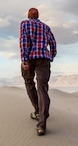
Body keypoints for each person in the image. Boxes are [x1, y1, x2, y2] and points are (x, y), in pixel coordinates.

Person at [20, 7, 57, 136]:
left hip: (29, 58)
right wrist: (51, 56)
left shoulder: (24, 24)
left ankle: (38, 111)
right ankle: (41, 123)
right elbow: (53, 43)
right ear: (38, 16)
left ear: (28, 15)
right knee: (42, 88)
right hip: (43, 59)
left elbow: (24, 41)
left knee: (29, 83)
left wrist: (24, 59)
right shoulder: (46, 27)